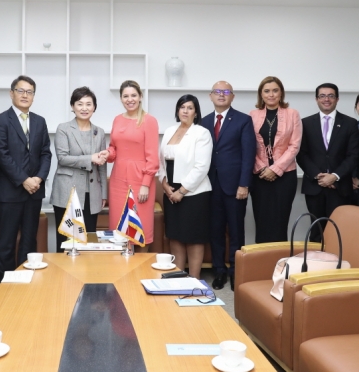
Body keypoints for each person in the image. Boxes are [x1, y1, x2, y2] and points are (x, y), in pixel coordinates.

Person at [0, 76, 51, 280]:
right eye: (21, 91)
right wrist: (24, 179)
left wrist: (39, 179)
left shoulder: (39, 121)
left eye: (30, 92)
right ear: (11, 93)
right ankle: (6, 283)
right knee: (7, 242)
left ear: (33, 96)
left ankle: (27, 280)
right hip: (10, 191)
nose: (25, 95)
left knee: (29, 240)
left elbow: (46, 153)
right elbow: (2, 155)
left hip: (34, 192)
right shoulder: (0, 120)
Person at [202, 81, 256, 291]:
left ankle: (235, 272)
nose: (221, 95)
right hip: (209, 185)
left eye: (226, 92)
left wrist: (244, 184)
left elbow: (248, 155)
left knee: (236, 231)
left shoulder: (243, 120)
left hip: (235, 187)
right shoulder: (204, 121)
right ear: (211, 96)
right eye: (217, 91)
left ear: (232, 97)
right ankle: (219, 271)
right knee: (214, 231)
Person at [157, 94, 212, 279]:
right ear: (177, 110)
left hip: (194, 194)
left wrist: (182, 191)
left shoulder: (201, 133)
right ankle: (178, 277)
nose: (185, 111)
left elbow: (202, 167)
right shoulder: (170, 130)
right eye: (182, 107)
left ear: (196, 112)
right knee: (175, 236)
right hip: (170, 191)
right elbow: (162, 162)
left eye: (190, 108)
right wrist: (164, 183)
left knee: (194, 238)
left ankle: (194, 280)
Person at [296, 83, 359, 241]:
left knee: (339, 231)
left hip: (340, 187)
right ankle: (316, 265)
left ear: (337, 99)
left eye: (331, 95)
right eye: (322, 96)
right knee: (316, 230)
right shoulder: (305, 123)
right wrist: (319, 176)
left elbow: (353, 155)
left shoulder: (350, 123)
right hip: (314, 186)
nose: (326, 99)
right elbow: (301, 154)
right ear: (316, 99)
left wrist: (335, 176)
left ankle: (337, 265)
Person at [50, 87, 108, 252]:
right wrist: (90, 158)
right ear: (72, 106)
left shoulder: (100, 132)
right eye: (80, 104)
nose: (84, 108)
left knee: (87, 240)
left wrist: (103, 193)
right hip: (67, 191)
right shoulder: (64, 129)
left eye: (89, 104)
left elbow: (102, 164)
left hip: (92, 193)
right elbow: (62, 158)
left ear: (94, 107)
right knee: (65, 240)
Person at [106, 80, 159, 250]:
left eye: (134, 95)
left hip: (140, 180)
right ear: (121, 99)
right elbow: (114, 148)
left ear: (140, 97)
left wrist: (146, 185)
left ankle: (141, 273)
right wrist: (107, 153)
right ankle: (121, 272)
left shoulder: (149, 121)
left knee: (140, 228)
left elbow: (152, 157)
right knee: (119, 227)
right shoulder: (117, 119)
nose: (130, 99)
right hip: (118, 178)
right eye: (126, 96)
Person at [249, 77, 302, 243]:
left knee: (280, 220)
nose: (271, 94)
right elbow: (249, 145)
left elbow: (294, 146)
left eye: (275, 90)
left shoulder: (293, 114)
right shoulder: (252, 115)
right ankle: (261, 261)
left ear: (281, 93)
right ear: (261, 94)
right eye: (266, 91)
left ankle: (279, 262)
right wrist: (263, 168)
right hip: (259, 176)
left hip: (285, 176)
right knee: (261, 219)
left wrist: (275, 169)